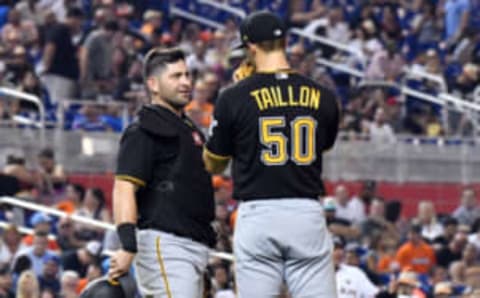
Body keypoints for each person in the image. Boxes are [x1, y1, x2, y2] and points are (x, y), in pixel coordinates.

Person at [203, 11, 340, 297]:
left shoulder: (234, 96)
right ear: (286, 42)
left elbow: (213, 163)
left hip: (258, 213)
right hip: (306, 211)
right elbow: (323, 147)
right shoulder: (323, 95)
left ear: (250, 47)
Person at [108, 47, 216, 297]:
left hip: (192, 244)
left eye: (188, 75)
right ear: (153, 84)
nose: (186, 82)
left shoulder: (189, 129)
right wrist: (127, 245)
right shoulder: (144, 129)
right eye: (176, 76)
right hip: (165, 243)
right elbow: (124, 187)